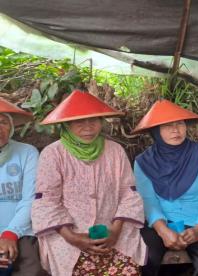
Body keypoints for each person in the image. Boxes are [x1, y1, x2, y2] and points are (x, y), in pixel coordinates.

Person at [31, 90, 147, 276]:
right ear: (66, 125)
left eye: (94, 120)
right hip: (67, 235)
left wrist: (115, 231)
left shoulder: (115, 151)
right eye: (79, 121)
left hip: (112, 231)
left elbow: (129, 193)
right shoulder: (53, 154)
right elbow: (47, 201)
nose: (88, 127)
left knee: (127, 270)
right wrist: (73, 238)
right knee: (78, 269)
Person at [132, 99, 198, 276]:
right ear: (155, 131)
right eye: (167, 125)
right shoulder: (143, 162)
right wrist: (163, 230)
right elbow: (148, 201)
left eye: (180, 123)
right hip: (158, 225)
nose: (176, 129)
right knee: (145, 262)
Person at [0, 98, 45, 276]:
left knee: (30, 270)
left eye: (3, 122)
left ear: (11, 127)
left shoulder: (27, 152)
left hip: (21, 231)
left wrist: (10, 233)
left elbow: (31, 198)